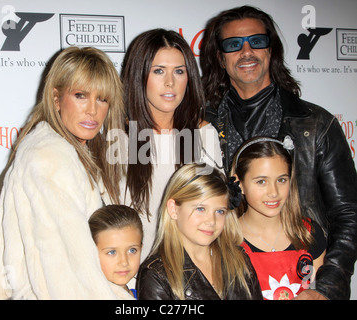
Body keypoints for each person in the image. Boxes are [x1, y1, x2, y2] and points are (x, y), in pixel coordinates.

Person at [200, 5, 357, 300]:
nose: (246, 51)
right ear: (220, 58)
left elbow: (349, 213)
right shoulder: (201, 126)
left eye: (257, 41)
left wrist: (326, 288)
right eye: (233, 45)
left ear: (271, 50)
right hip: (224, 281)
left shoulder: (316, 125)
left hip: (303, 284)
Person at [0, 46, 131, 299]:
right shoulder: (50, 158)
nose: (92, 110)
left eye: (102, 99)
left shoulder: (77, 152)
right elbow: (65, 276)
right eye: (81, 95)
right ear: (57, 99)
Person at [120, 28, 222, 261]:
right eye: (158, 71)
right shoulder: (118, 137)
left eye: (179, 71)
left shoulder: (204, 135)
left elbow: (215, 214)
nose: (170, 82)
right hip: (131, 276)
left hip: (190, 274)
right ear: (139, 76)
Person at [136, 163, 262, 300]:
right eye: (200, 209)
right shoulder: (156, 275)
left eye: (220, 211)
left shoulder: (238, 260)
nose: (211, 221)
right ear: (173, 209)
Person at [230, 136, 326, 300]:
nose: (273, 192)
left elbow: (321, 290)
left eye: (281, 180)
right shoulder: (226, 240)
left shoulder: (308, 233)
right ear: (240, 184)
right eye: (261, 182)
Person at [89, 205, 143, 299]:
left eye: (132, 250)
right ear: (92, 252)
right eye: (112, 252)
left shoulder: (144, 295)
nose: (124, 262)